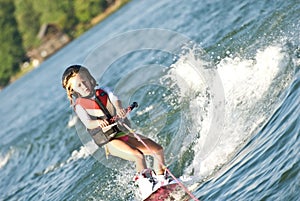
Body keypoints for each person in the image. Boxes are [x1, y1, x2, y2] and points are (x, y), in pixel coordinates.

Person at [61, 65, 171, 196]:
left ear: (90, 79)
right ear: (73, 91)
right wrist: (99, 122)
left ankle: (162, 179)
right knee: (138, 155)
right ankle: (146, 188)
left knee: (158, 150)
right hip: (110, 141)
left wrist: (119, 109)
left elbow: (115, 99)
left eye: (84, 81)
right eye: (79, 85)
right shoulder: (80, 106)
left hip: (123, 133)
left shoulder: (104, 91)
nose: (84, 86)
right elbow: (89, 123)